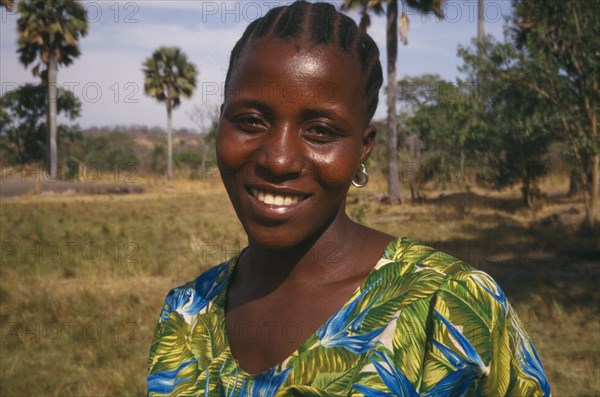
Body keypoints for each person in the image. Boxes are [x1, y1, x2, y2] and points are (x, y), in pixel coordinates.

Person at [147, 2, 551, 396]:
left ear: (363, 147)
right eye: (251, 121)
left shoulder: (448, 305)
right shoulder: (187, 314)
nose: (279, 159)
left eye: (320, 130)